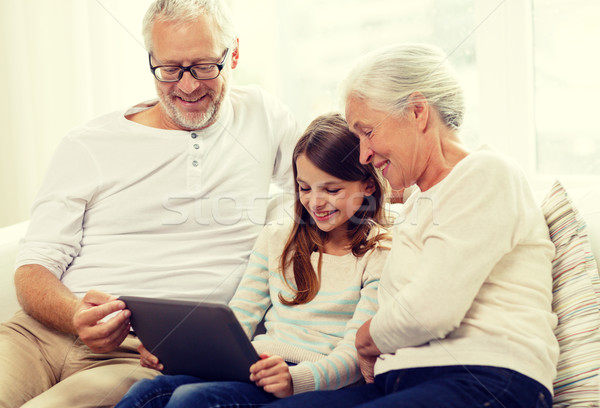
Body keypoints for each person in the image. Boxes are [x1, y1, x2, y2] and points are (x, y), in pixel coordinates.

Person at [0, 1, 299, 407]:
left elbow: (333, 182)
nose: (189, 86)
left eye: (205, 66)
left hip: (141, 355)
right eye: (171, 69)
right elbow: (33, 267)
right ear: (151, 61)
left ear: (235, 54)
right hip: (37, 335)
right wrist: (74, 314)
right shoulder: (88, 143)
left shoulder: (263, 117)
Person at [267, 44, 560, 408]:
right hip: (403, 383)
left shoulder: (486, 174)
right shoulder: (417, 207)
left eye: (368, 132)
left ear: (418, 112)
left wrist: (364, 340)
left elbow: (429, 311)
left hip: (485, 377)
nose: (363, 155)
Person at [114, 113, 391, 408]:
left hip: (314, 378)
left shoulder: (381, 252)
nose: (315, 202)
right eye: (305, 188)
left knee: (192, 399)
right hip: (256, 366)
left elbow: (356, 352)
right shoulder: (277, 238)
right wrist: (177, 355)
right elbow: (239, 319)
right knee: (145, 393)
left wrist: (296, 380)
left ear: (368, 186)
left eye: (332, 190)